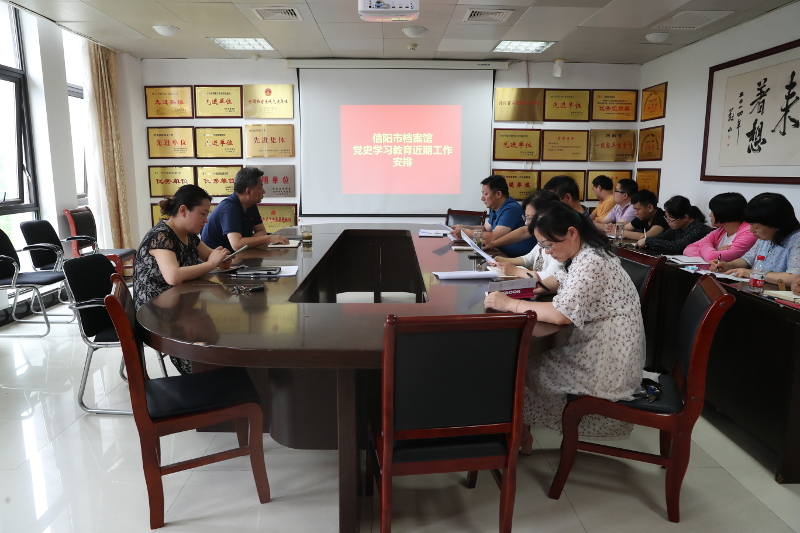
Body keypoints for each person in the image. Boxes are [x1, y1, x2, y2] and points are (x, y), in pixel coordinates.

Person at [484, 201, 644, 446]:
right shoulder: (584, 253)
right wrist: (532, 283)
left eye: (549, 245)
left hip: (605, 361)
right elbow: (556, 280)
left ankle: (515, 438)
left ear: (571, 232)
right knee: (517, 363)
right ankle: (518, 435)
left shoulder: (592, 261)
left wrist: (510, 304)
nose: (547, 252)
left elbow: (561, 314)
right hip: (598, 345)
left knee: (517, 367)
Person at [134, 184, 232, 311]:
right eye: (202, 214)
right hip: (155, 311)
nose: (206, 220)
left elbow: (209, 255)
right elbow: (173, 276)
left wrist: (221, 260)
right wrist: (212, 264)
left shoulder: (189, 235)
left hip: (178, 302)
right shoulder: (161, 236)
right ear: (183, 210)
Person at [710, 193, 800, 286]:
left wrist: (753, 273)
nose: (751, 230)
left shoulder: (796, 240)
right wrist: (728, 265)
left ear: (777, 224)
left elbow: (794, 278)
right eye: (751, 225)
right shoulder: (766, 237)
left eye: (756, 227)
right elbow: (747, 260)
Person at [201, 166, 289, 251]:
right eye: (260, 187)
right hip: (216, 259)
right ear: (249, 191)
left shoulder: (250, 205)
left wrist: (247, 242)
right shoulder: (230, 208)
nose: (263, 191)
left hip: (236, 255)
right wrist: (267, 239)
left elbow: (261, 231)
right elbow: (237, 245)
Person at [450, 175, 533, 257]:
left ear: (498, 194)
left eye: (485, 194)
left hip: (515, 257)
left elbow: (494, 237)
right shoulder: (496, 208)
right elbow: (486, 228)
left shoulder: (511, 209)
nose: (482, 198)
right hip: (499, 252)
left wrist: (464, 232)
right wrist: (463, 227)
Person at [489, 190, 564, 280]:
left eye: (530, 218)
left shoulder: (559, 241)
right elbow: (528, 259)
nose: (526, 223)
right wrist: (502, 260)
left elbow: (552, 277)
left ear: (548, 216)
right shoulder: (542, 238)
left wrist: (516, 271)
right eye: (526, 217)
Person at [683, 192, 756, 262]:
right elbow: (688, 249)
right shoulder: (721, 230)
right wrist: (715, 251)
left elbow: (713, 257)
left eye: (712, 211)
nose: (710, 215)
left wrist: (708, 249)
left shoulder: (749, 232)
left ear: (724, 212)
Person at [637, 195, 710, 253]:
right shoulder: (677, 227)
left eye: (671, 218)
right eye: (666, 217)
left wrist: (648, 241)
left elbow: (678, 246)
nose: (667, 221)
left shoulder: (698, 229)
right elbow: (661, 237)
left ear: (685, 217)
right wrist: (646, 239)